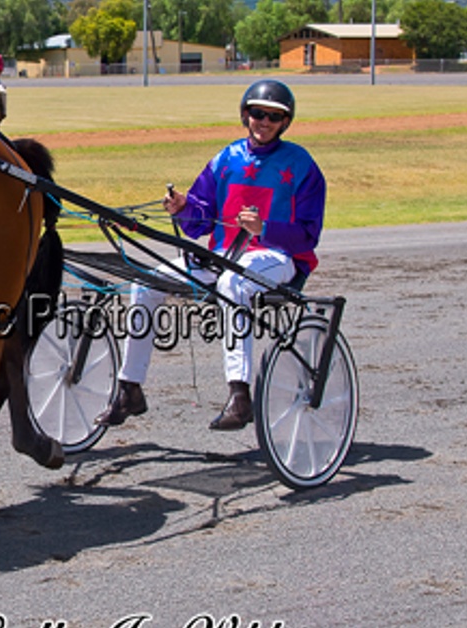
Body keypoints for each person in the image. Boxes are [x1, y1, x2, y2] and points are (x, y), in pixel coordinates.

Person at [99, 79, 326, 431]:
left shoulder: (302, 165)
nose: (263, 122)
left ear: (285, 122)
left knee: (234, 283)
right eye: (257, 113)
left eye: (273, 117)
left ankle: (239, 394)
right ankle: (130, 388)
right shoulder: (226, 158)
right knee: (145, 284)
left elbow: (309, 234)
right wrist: (182, 207)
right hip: (220, 258)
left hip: (277, 258)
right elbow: (199, 220)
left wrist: (264, 228)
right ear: (245, 115)